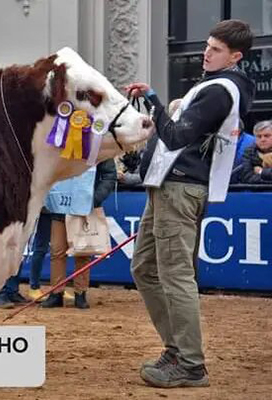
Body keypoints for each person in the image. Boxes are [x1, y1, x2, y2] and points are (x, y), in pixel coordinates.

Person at [125, 19, 255, 388]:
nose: (206, 53)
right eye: (207, 45)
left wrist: (155, 103)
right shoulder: (220, 87)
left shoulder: (220, 90)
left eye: (215, 49)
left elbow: (177, 135)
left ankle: (189, 362)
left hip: (180, 189)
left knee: (174, 274)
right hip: (172, 187)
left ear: (235, 56)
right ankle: (178, 350)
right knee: (145, 269)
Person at [40, 159, 117, 309]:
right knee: (57, 251)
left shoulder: (97, 141)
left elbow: (109, 175)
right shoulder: (57, 140)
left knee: (83, 252)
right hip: (59, 208)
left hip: (84, 207)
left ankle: (80, 293)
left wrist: (94, 199)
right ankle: (56, 292)